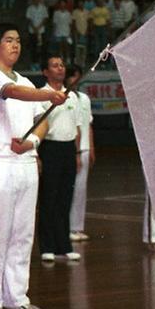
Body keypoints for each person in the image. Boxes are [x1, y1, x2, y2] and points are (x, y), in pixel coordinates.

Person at [0, 23, 65, 309]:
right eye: (9, 40)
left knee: (23, 233)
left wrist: (31, 142)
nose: (15, 45)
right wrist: (48, 95)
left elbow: (44, 121)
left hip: (26, 161)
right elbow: (13, 92)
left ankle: (17, 297)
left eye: (18, 41)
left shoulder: (28, 81)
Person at [37, 55, 81, 262]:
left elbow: (77, 128)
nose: (60, 69)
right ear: (45, 72)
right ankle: (47, 246)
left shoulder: (72, 96)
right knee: (49, 198)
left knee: (65, 198)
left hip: (68, 150)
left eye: (62, 65)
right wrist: (37, 155)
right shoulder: (41, 95)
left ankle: (64, 245)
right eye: (54, 65)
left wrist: (78, 153)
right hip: (50, 149)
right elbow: (37, 127)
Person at [66, 64, 95, 242]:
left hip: (84, 148)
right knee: (68, 189)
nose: (75, 80)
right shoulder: (63, 96)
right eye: (73, 76)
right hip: (70, 149)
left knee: (81, 190)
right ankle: (67, 227)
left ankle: (77, 227)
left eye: (78, 76)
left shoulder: (84, 98)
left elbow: (88, 125)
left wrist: (91, 148)